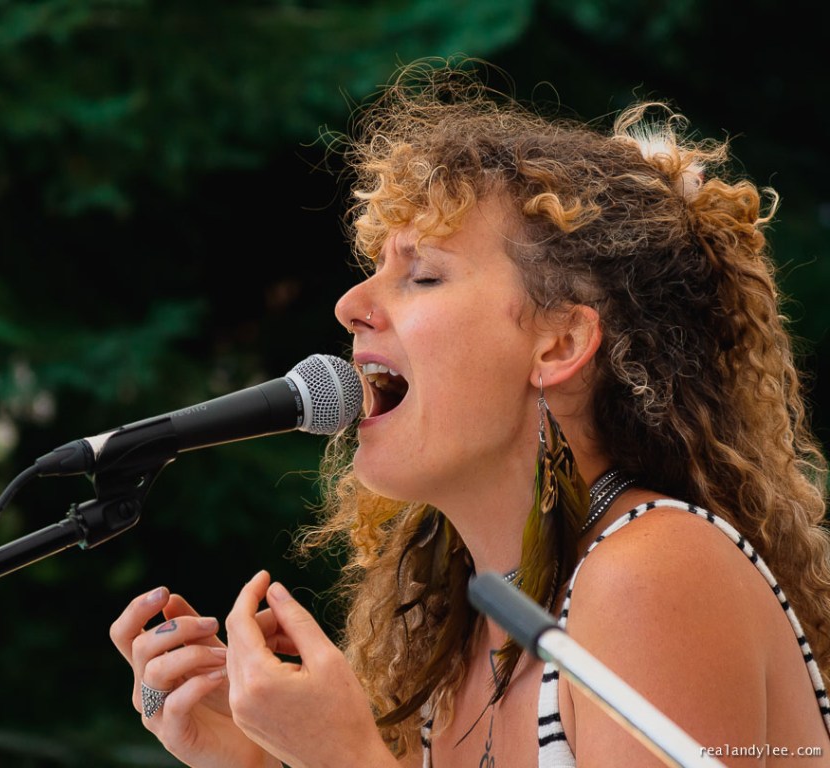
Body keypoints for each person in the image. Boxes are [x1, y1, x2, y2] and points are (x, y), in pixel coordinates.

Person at [109, 59, 830, 767]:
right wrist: (258, 762)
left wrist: (343, 758)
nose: (350, 306)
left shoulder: (652, 571)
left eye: (423, 276)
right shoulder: (454, 633)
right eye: (375, 272)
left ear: (560, 344)